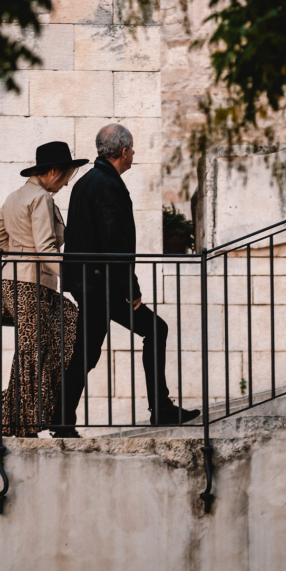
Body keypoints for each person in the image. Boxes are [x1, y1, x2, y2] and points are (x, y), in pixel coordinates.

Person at [54, 123, 200, 436]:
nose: (133, 154)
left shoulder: (85, 183)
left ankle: (62, 418)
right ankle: (159, 409)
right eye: (132, 149)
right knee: (154, 329)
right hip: (101, 285)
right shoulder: (108, 184)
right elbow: (113, 241)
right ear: (124, 151)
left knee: (87, 351)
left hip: (89, 283)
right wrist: (129, 288)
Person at [0, 141, 87, 437]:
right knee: (46, 346)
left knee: (37, 349)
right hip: (33, 285)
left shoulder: (15, 196)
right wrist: (70, 274)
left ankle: (21, 419)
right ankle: (17, 421)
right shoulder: (40, 198)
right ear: (53, 171)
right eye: (66, 176)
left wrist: (18, 254)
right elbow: (46, 246)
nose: (66, 183)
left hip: (11, 284)